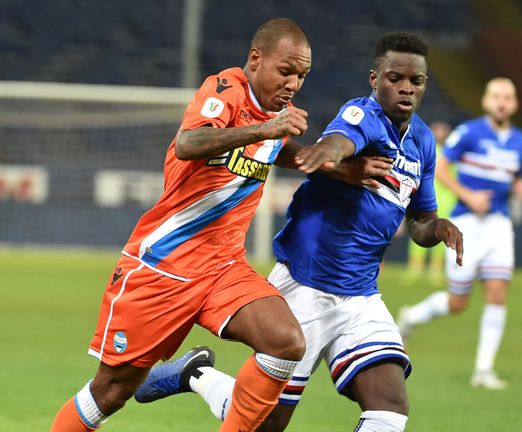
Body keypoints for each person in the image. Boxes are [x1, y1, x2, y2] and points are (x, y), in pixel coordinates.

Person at [134, 32, 463, 432]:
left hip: (361, 296)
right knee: (265, 423)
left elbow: (421, 220)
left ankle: (193, 375)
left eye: (416, 81)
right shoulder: (363, 117)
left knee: (390, 407)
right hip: (305, 287)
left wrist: (439, 227)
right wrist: (329, 154)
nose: (406, 88)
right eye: (395, 78)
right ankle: (194, 375)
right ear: (374, 79)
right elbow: (343, 139)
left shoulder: (424, 142)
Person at [50, 18, 352, 432]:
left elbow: (279, 149)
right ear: (254, 59)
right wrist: (265, 129)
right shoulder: (225, 88)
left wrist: (344, 168)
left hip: (223, 269)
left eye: (302, 75)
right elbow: (189, 142)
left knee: (287, 342)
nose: (294, 84)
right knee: (111, 393)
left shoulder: (273, 116)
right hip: (162, 268)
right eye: (286, 71)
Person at [396, 77, 522, 390]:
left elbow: (514, 179)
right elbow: (441, 169)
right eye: (496, 95)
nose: (501, 101)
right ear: (486, 101)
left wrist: (519, 189)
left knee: (498, 292)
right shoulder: (469, 132)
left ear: (514, 104)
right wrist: (469, 196)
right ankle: (411, 317)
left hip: (498, 224)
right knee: (459, 302)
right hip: (466, 223)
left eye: (507, 97)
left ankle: (483, 370)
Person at [405, 120, 455, 282]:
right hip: (425, 196)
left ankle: (436, 269)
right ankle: (415, 267)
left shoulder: (450, 154)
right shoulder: (425, 150)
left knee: (441, 234)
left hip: (446, 199)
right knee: (419, 230)